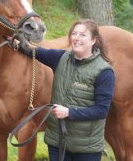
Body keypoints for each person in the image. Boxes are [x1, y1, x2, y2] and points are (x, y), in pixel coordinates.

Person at [15, 19, 116, 161]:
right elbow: (34, 52)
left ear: (94, 40)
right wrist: (15, 40)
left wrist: (69, 112)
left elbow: (101, 110)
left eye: (82, 35)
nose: (77, 38)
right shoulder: (60, 58)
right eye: (74, 34)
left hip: (86, 149)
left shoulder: (104, 72)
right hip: (58, 144)